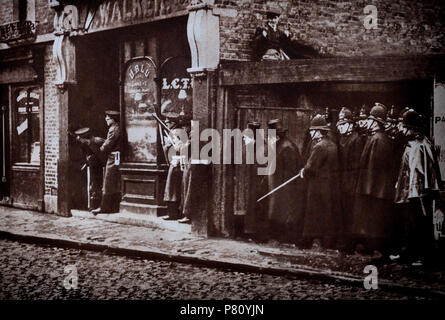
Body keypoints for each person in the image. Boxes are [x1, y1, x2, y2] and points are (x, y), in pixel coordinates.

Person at [394, 109, 442, 266]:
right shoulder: (419, 143)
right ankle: (409, 254)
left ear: (410, 128)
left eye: (403, 125)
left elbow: (418, 171)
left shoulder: (418, 145)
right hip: (415, 190)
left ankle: (423, 257)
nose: (401, 129)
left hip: (418, 192)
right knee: (412, 223)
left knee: (419, 223)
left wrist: (412, 192)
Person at [352, 103, 396, 257]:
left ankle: (375, 246)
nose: (368, 122)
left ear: (376, 122)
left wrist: (367, 188)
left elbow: (374, 166)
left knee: (375, 219)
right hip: (376, 187)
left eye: (371, 119)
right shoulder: (378, 138)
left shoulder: (378, 140)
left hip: (375, 188)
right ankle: (373, 245)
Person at [266, 119, 304, 243]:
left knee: (287, 211)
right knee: (278, 210)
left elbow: (291, 171)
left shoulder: (288, 147)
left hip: (287, 186)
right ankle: (279, 235)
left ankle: (288, 237)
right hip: (278, 185)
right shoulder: (278, 145)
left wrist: (284, 186)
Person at [336, 108, 363, 252]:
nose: (340, 127)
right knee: (343, 213)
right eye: (339, 124)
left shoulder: (356, 139)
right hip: (343, 181)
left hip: (351, 182)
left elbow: (356, 165)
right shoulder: (342, 139)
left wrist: (352, 184)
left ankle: (350, 245)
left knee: (351, 213)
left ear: (351, 125)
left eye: (343, 124)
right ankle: (344, 242)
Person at [253, 10, 321, 61]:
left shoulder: (279, 31)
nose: (274, 20)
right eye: (271, 18)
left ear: (277, 19)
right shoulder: (264, 30)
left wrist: (286, 36)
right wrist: (263, 36)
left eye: (275, 18)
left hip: (280, 52)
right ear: (268, 19)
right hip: (269, 52)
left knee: (292, 57)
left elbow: (285, 44)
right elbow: (258, 44)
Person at [92, 110, 121, 214]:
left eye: (108, 118)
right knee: (113, 182)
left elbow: (107, 145)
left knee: (108, 182)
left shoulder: (113, 129)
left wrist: (100, 148)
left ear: (113, 119)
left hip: (113, 157)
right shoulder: (118, 127)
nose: (106, 119)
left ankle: (105, 207)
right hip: (116, 156)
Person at [73, 127, 105, 211]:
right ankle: (92, 205)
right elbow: (86, 155)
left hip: (101, 167)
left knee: (98, 185)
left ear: (84, 137)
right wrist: (87, 162)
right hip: (92, 166)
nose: (78, 139)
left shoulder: (98, 141)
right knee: (93, 185)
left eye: (79, 137)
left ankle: (98, 205)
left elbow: (106, 151)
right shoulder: (84, 145)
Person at [162, 119, 185, 221]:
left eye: (168, 122)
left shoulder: (175, 132)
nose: (167, 123)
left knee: (172, 189)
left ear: (173, 123)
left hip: (176, 163)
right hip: (179, 163)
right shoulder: (180, 132)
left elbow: (168, 149)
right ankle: (176, 212)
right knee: (175, 189)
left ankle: (173, 213)